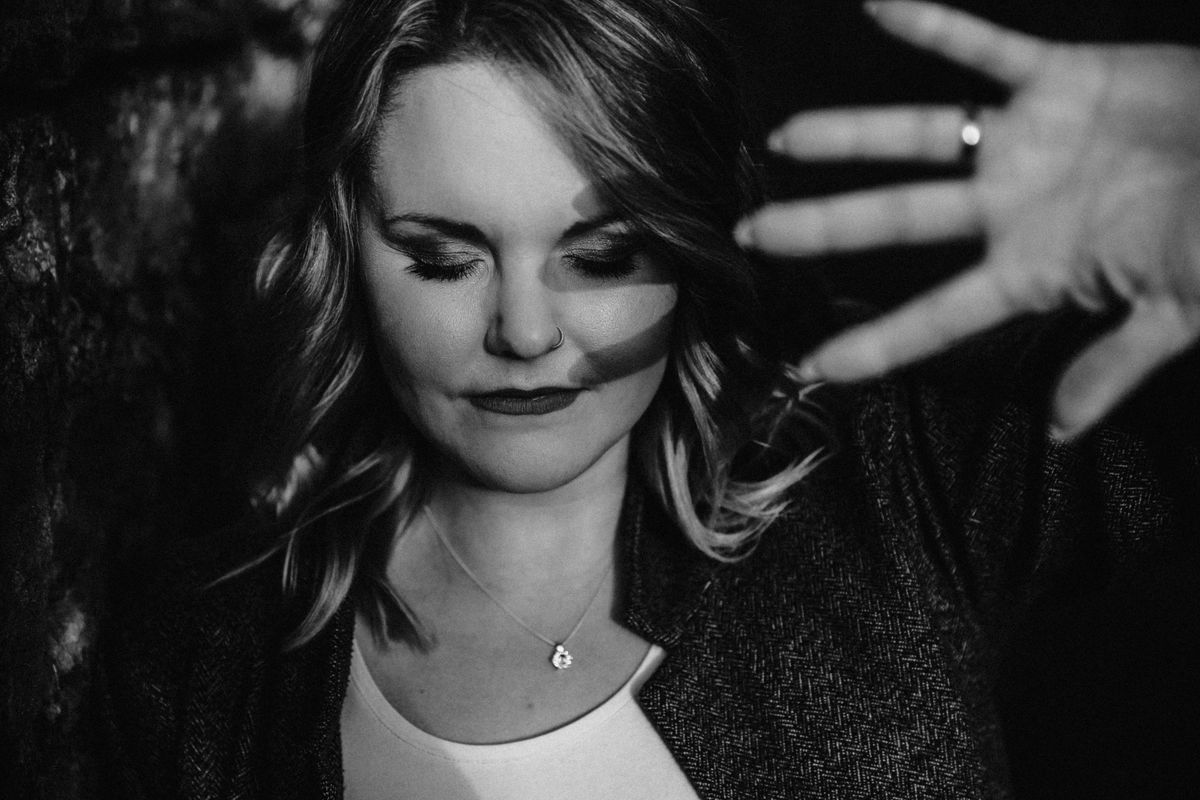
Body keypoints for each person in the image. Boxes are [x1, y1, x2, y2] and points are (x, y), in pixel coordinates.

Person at [97, 1, 1200, 798]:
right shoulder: (203, 670)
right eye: (443, 258)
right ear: (343, 254)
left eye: (604, 256)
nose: (525, 332)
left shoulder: (894, 494)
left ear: (688, 251)